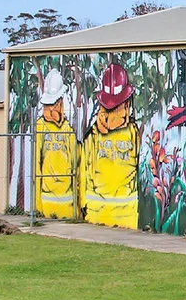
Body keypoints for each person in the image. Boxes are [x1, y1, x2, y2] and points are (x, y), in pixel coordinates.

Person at [79, 62, 140, 229]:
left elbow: (84, 170)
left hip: (110, 213)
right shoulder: (131, 132)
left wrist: (82, 204)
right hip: (117, 214)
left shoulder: (94, 134)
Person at [33, 69, 77, 219]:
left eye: (53, 103)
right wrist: (37, 204)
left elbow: (75, 163)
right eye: (47, 104)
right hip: (47, 197)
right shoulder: (40, 127)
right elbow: (35, 164)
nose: (50, 109)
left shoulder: (68, 129)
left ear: (60, 102)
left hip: (68, 201)